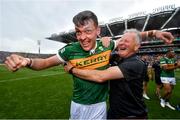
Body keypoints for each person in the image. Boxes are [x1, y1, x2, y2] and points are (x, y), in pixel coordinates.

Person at [4, 10, 174, 119]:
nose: (82, 37)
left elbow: (132, 38)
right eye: (78, 32)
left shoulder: (106, 45)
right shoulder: (70, 50)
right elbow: (44, 63)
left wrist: (154, 33)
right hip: (76, 104)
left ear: (98, 31)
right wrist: (26, 61)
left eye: (88, 31)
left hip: (98, 106)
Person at [64, 29, 155, 119]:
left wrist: (72, 69)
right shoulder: (117, 58)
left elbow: (100, 76)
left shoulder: (136, 64)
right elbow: (93, 57)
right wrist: (103, 43)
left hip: (131, 115)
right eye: (121, 40)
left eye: (126, 41)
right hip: (114, 112)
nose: (121, 43)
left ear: (136, 46)